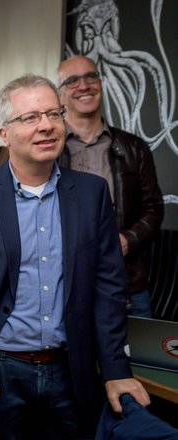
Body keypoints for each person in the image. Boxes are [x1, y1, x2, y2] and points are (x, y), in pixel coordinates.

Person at [0, 74, 150, 439]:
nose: (46, 125)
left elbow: (108, 289)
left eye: (53, 114)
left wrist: (115, 369)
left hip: (71, 371)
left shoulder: (92, 194)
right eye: (30, 117)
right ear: (4, 133)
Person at [57, 55, 164, 318]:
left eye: (91, 76)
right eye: (72, 81)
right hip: (63, 283)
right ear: (59, 95)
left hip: (127, 282)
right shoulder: (49, 149)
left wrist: (128, 240)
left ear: (101, 83)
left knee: (136, 359)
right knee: (74, 361)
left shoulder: (134, 147)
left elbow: (153, 207)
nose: (84, 85)